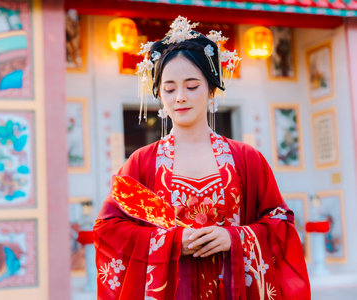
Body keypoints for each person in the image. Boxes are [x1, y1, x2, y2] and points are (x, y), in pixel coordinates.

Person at [94, 16, 310, 300]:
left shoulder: (246, 159)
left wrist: (233, 238)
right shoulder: (141, 163)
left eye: (192, 86)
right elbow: (109, 229)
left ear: (211, 89)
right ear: (159, 95)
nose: (180, 97)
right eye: (169, 89)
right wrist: (172, 242)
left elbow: (280, 223)